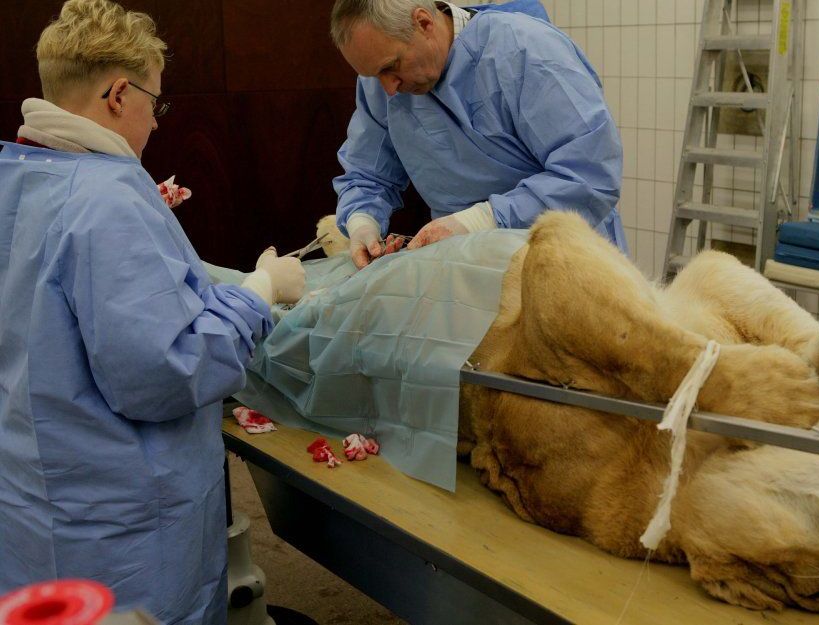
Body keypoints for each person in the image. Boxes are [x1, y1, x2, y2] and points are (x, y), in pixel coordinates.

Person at [0, 1, 305, 623]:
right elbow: (167, 371)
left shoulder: (16, 175)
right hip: (121, 522)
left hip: (36, 493)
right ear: (118, 94)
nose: (157, 123)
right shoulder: (106, 199)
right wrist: (259, 292)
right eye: (155, 103)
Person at [329, 0, 627, 268]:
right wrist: (361, 222)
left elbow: (590, 176)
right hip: (467, 267)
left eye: (391, 67)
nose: (389, 88)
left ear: (424, 23)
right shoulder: (382, 82)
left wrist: (482, 219)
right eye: (374, 75)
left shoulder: (524, 51)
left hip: (564, 259)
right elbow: (368, 172)